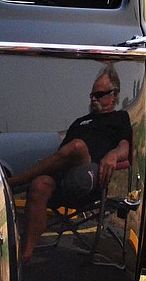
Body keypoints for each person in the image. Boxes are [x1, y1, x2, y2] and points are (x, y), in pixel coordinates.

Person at [8, 67, 131, 263]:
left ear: (113, 95)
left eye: (99, 95)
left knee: (78, 146)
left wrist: (113, 155)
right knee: (40, 184)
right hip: (64, 179)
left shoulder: (119, 119)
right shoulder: (80, 122)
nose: (93, 100)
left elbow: (126, 146)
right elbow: (61, 154)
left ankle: (16, 181)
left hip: (90, 177)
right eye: (92, 95)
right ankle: (26, 255)